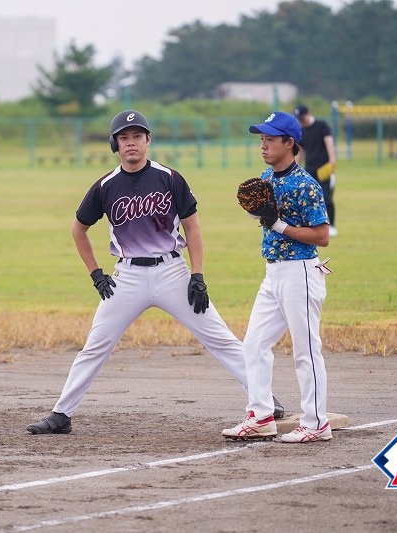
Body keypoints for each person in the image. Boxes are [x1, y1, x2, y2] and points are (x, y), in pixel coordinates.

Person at [27, 109, 283, 435]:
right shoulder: (105, 186)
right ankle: (61, 414)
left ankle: (264, 400)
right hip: (127, 277)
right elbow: (79, 229)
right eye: (123, 138)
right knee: (95, 345)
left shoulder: (169, 178)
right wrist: (96, 274)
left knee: (219, 337)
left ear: (148, 140)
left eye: (137, 136)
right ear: (115, 145)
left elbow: (192, 228)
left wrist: (197, 275)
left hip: (172, 272)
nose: (131, 142)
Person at [222, 111, 333, 443]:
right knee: (253, 345)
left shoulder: (305, 185)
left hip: (301, 271)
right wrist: (260, 213)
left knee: (306, 350)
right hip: (273, 273)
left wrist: (278, 224)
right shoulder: (265, 179)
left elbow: (322, 236)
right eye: (262, 139)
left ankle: (316, 423)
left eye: (270, 139)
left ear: (289, 143)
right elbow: (264, 215)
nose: (263, 145)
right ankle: (260, 416)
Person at [293, 105, 338, 237]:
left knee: (326, 197)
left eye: (302, 118)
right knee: (310, 198)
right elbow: (299, 151)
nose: (302, 121)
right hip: (309, 169)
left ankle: (332, 225)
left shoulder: (321, 126)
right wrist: (297, 167)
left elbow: (329, 142)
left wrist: (332, 161)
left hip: (323, 168)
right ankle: (313, 226)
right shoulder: (301, 131)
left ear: (308, 113)